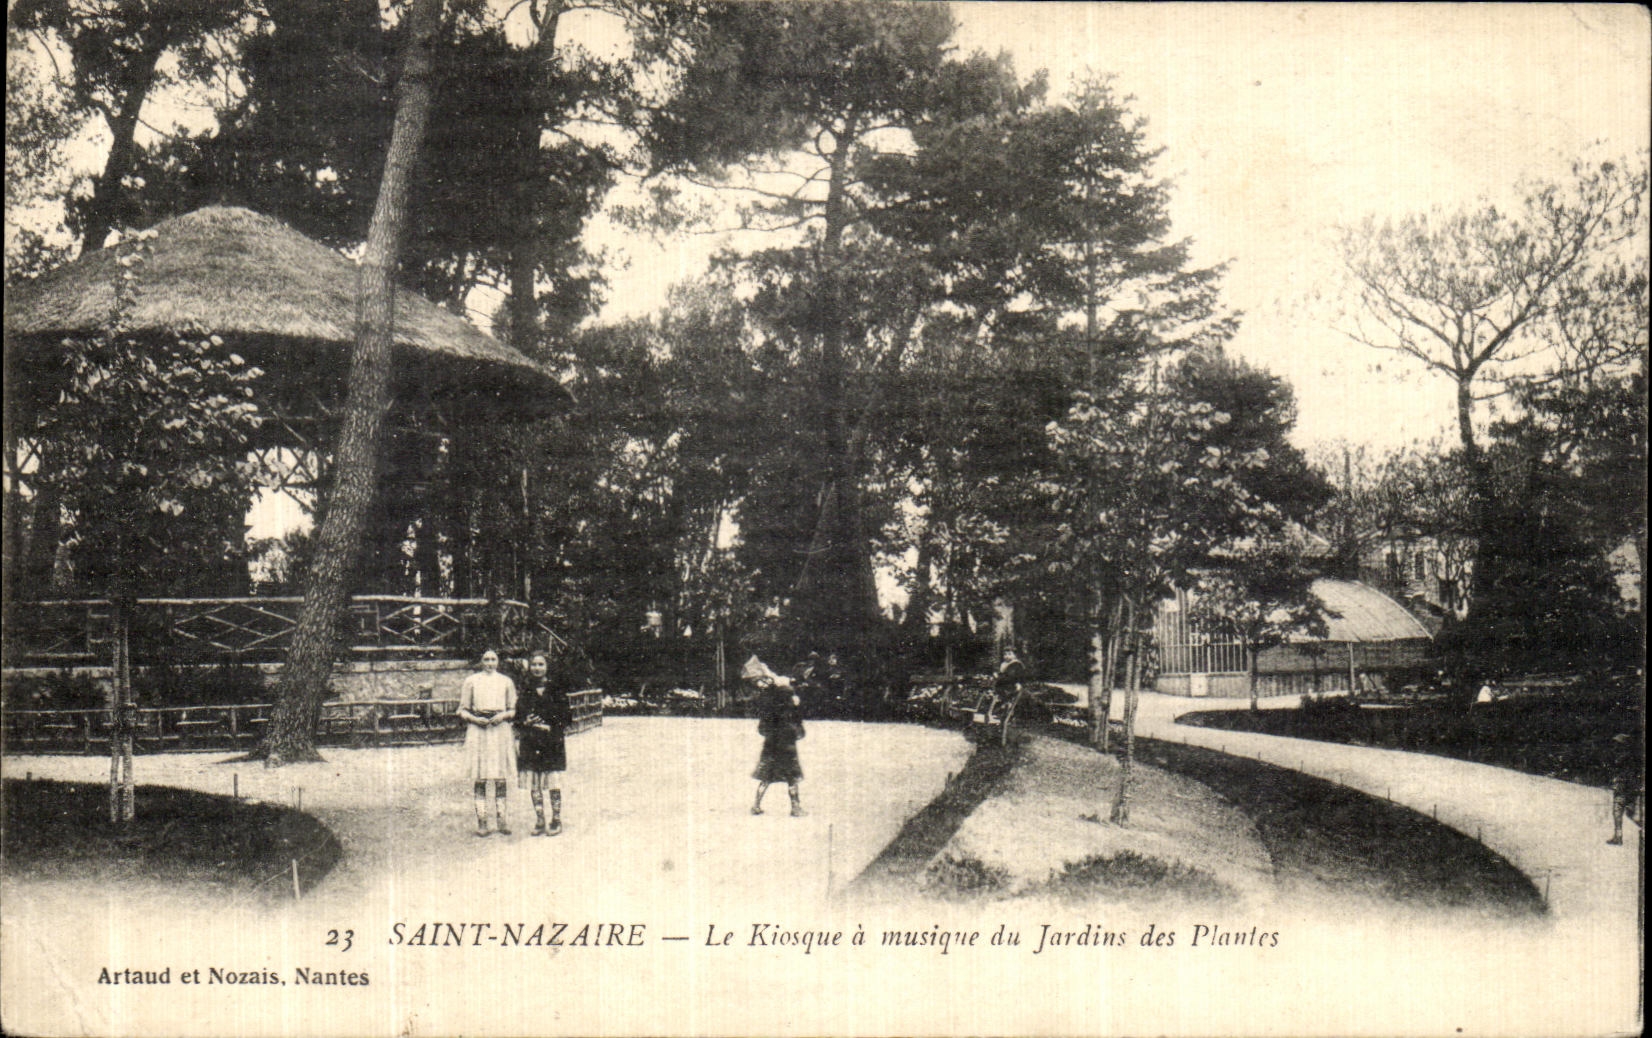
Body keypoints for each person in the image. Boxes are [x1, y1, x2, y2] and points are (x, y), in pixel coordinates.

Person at [457, 649, 517, 836]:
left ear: (498, 662)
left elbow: (513, 709)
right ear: (481, 661)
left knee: (500, 777)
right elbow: (462, 710)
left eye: (493, 659)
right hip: (479, 730)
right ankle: (482, 822)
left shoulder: (506, 681)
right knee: (480, 776)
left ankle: (502, 820)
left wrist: (503, 715)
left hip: (499, 729)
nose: (490, 663)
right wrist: (475, 720)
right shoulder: (471, 681)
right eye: (486, 659)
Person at [515, 652, 574, 836]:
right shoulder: (525, 689)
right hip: (531, 741)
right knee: (535, 783)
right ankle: (539, 819)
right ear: (529, 667)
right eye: (534, 664)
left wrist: (550, 723)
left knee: (553, 782)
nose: (537, 668)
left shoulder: (556, 689)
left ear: (547, 667)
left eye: (541, 664)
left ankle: (556, 819)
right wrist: (526, 721)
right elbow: (517, 717)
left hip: (551, 741)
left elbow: (567, 717)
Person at [745, 656, 805, 817]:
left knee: (766, 777)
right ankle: (795, 808)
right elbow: (798, 729)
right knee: (792, 777)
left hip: (770, 745)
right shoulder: (790, 709)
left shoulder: (767, 705)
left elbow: (762, 729)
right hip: (787, 746)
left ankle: (756, 805)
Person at [1607, 731, 1643, 846]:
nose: (1615, 745)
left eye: (1618, 743)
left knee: (1618, 813)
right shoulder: (1633, 757)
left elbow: (1623, 774)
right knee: (1630, 813)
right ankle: (1618, 836)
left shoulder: (1623, 757)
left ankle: (1618, 837)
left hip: (1623, 788)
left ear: (1623, 744)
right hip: (1630, 789)